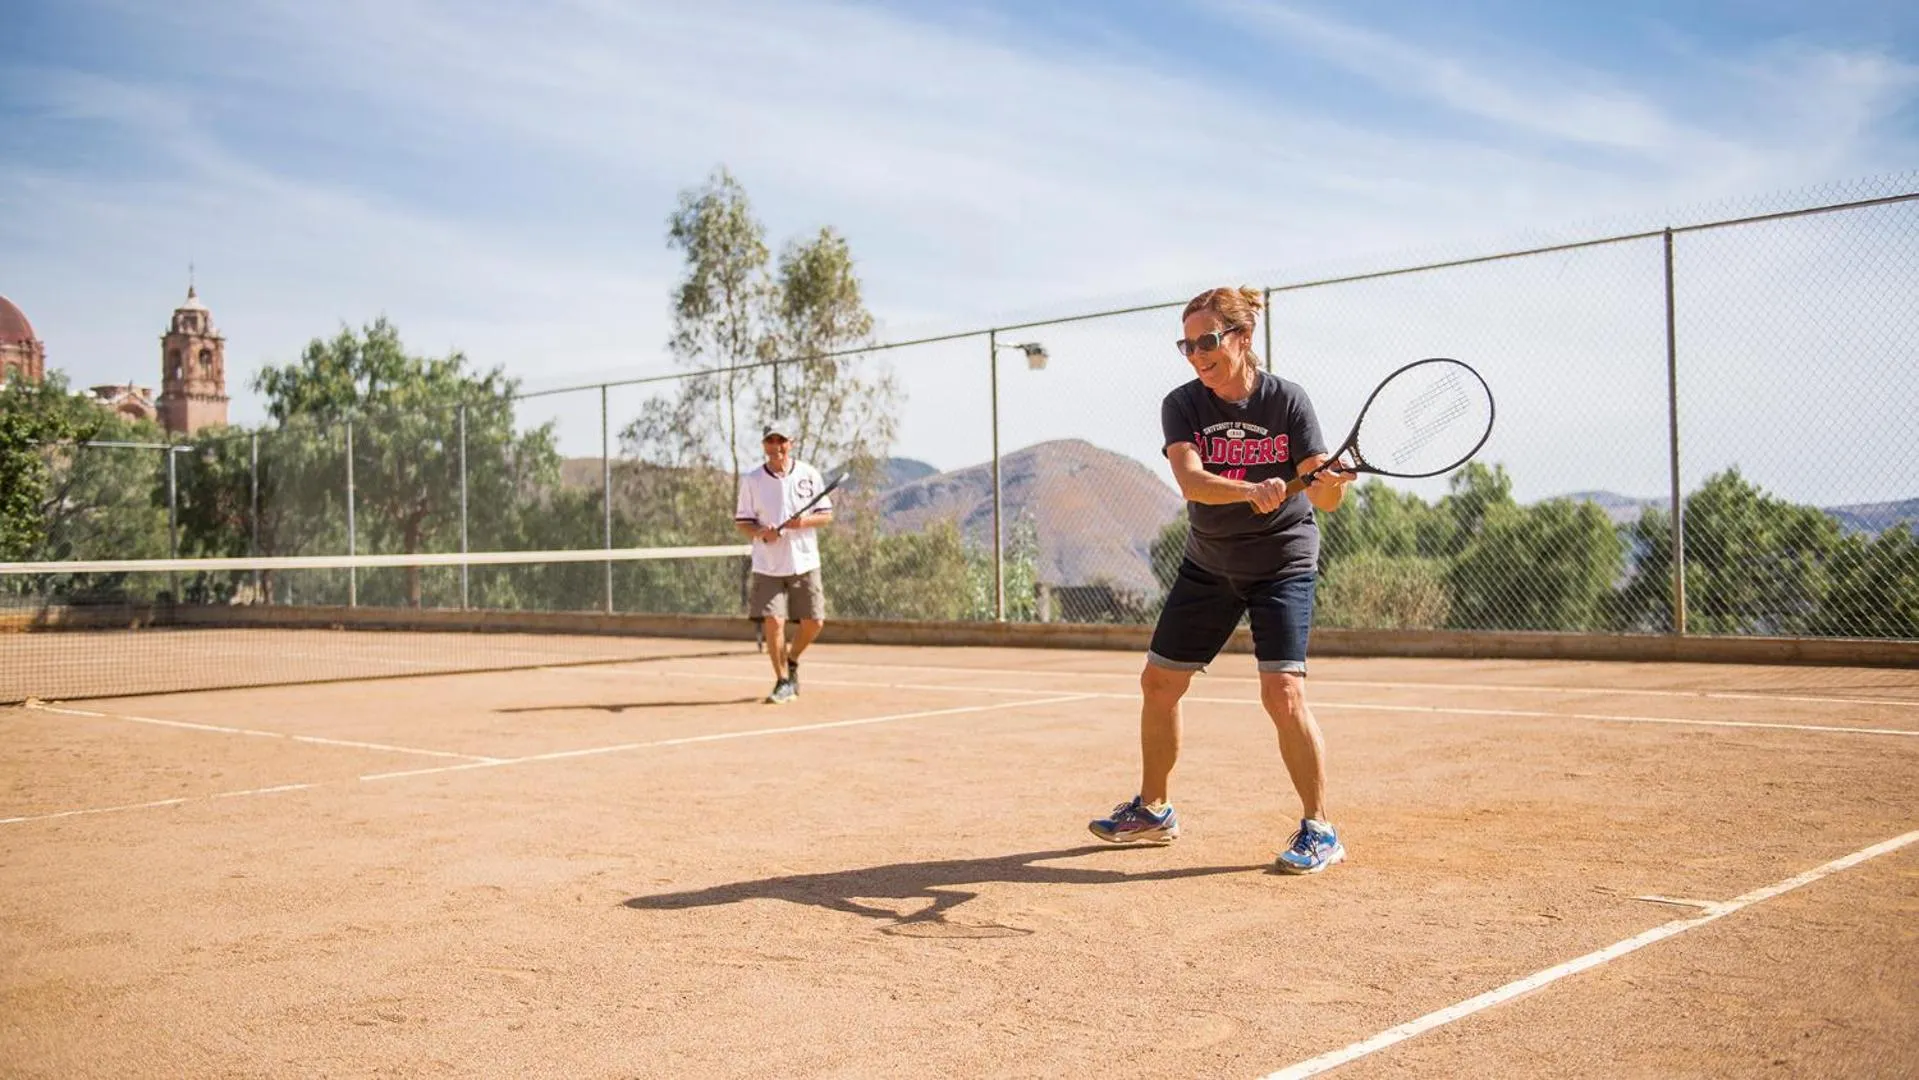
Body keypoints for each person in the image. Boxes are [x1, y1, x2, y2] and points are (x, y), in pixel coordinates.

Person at [1088, 286, 1354, 874]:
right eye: (1186, 345)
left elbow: (1325, 497)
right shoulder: (1182, 403)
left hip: (1282, 561)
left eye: (1206, 341)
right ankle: (1154, 810)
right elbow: (1191, 481)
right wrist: (1250, 490)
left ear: (1242, 338)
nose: (1195, 355)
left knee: (1281, 693)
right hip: (1210, 561)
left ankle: (1320, 829)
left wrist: (1332, 479)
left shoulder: (1289, 401)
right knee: (1158, 683)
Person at [734, 421, 834, 704]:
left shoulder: (809, 474)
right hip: (768, 565)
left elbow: (826, 515)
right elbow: (743, 520)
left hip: (804, 561)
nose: (776, 447)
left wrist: (802, 521)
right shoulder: (753, 480)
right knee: (774, 620)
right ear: (764, 445)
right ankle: (782, 681)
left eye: (781, 441)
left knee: (814, 622)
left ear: (791, 442)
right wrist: (761, 534)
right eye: (770, 441)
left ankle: (792, 660)